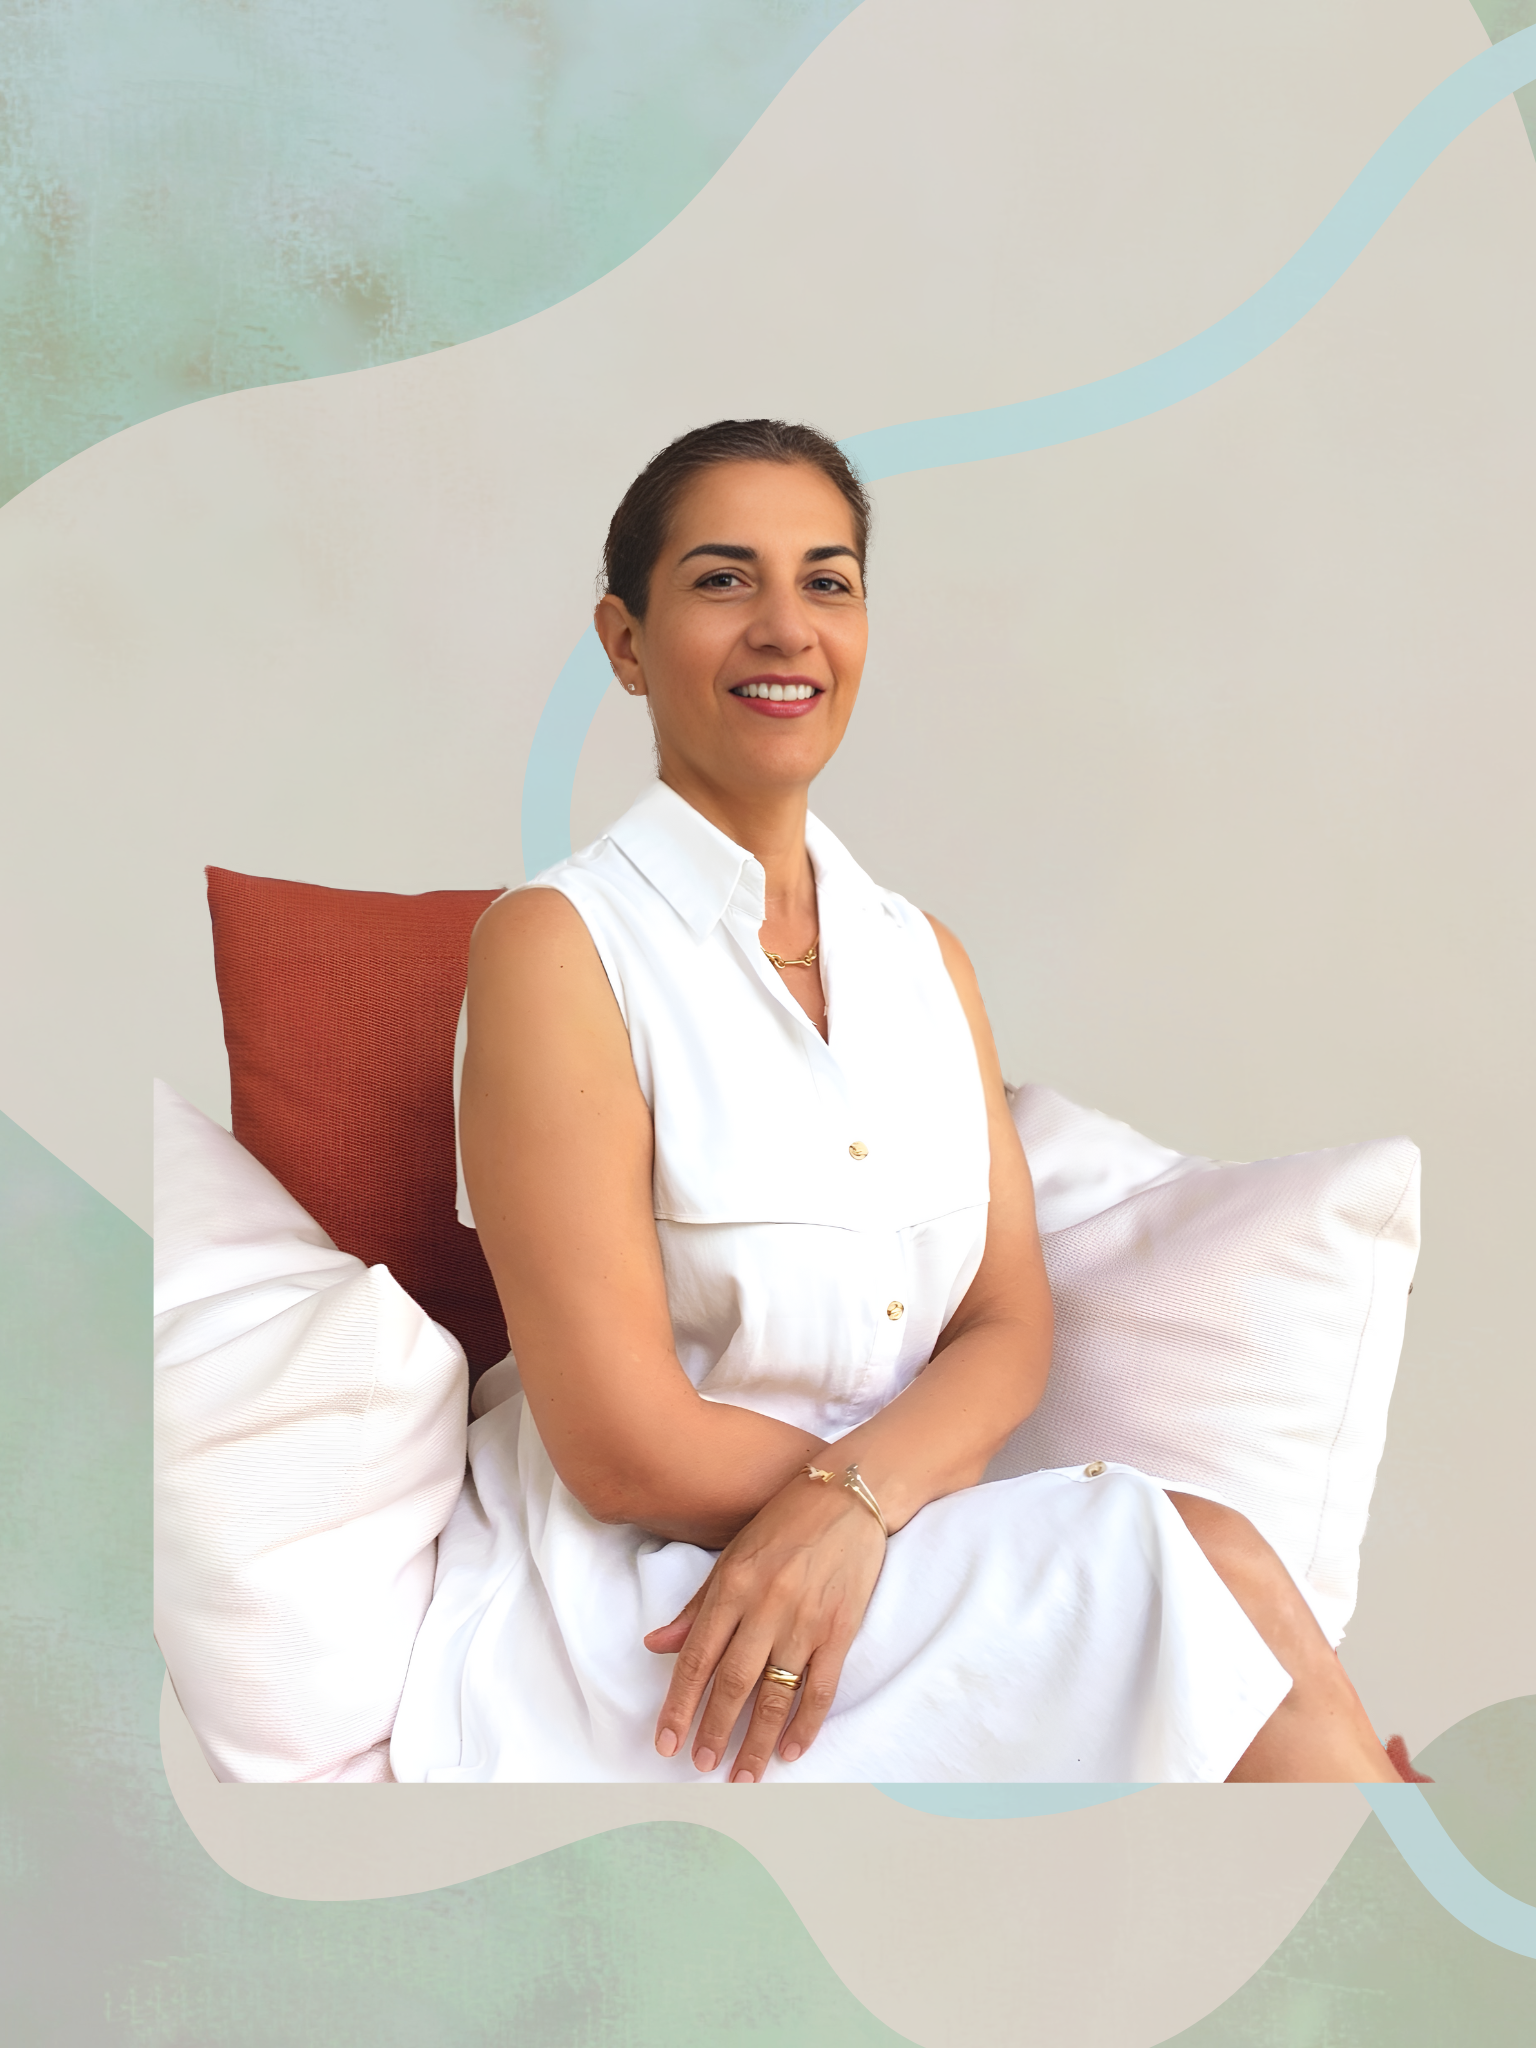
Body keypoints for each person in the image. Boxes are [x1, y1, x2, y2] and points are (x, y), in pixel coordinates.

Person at [387, 419, 1401, 1784]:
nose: (785, 628)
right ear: (624, 644)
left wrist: (864, 1503)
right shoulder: (558, 949)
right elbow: (620, 1447)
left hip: (878, 1549)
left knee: (1227, 1583)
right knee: (1205, 1570)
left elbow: (1004, 1318)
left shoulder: (924, 960)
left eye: (828, 581)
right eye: (722, 580)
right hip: (651, 1617)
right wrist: (859, 1505)